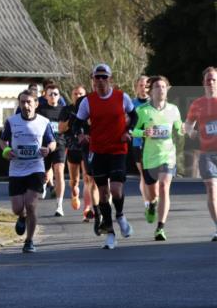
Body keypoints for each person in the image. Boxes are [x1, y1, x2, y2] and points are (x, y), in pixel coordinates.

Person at [74, 63, 137, 250]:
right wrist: (80, 135)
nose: (100, 80)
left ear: (110, 79)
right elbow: (77, 123)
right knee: (103, 193)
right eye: (97, 77)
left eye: (104, 77)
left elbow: (134, 116)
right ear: (92, 80)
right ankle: (110, 233)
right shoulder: (88, 101)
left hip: (118, 149)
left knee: (116, 190)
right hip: (98, 151)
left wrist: (130, 131)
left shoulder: (121, 97)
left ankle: (120, 215)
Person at [0, 90, 57, 252]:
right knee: (18, 208)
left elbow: (52, 142)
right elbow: (2, 141)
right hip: (16, 170)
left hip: (36, 168)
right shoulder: (11, 121)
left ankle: (29, 241)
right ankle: (22, 216)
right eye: (23, 102)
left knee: (31, 204)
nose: (26, 105)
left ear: (36, 104)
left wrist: (48, 149)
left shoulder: (44, 122)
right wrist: (6, 150)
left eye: (29, 102)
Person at [131, 75, 183, 240]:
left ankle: (160, 227)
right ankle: (151, 205)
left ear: (167, 90)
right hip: (149, 157)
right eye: (157, 87)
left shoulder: (174, 109)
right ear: (151, 91)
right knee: (153, 194)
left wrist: (187, 128)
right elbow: (132, 131)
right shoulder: (142, 111)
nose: (160, 89)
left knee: (164, 187)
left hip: (168, 155)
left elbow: (179, 129)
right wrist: (144, 132)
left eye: (163, 87)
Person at [185, 66, 217, 241]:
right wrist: (190, 131)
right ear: (203, 82)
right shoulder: (197, 104)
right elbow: (188, 123)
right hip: (207, 153)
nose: (211, 82)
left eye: (214, 79)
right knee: (211, 189)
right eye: (208, 80)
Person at [61, 85, 98, 218]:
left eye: (80, 93)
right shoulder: (67, 110)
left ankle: (87, 208)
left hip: (86, 147)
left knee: (88, 179)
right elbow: (60, 129)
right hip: (72, 147)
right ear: (72, 95)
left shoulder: (88, 105)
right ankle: (74, 193)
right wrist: (70, 122)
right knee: (74, 181)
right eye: (75, 93)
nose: (77, 96)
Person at [36, 81, 67, 215]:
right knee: (44, 172)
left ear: (59, 96)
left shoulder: (64, 111)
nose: (53, 96)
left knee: (59, 171)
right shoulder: (41, 111)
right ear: (46, 96)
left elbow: (68, 128)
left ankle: (59, 205)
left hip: (60, 144)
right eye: (51, 94)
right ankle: (43, 184)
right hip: (45, 146)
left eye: (56, 94)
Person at [130, 75, 152, 214]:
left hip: (156, 145)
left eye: (147, 86)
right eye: (141, 85)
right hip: (138, 143)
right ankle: (147, 203)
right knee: (144, 174)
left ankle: (154, 199)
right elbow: (129, 126)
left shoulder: (156, 103)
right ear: (137, 87)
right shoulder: (132, 104)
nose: (144, 88)